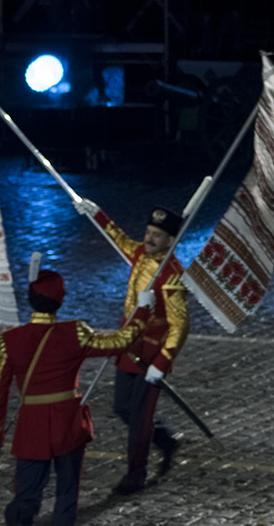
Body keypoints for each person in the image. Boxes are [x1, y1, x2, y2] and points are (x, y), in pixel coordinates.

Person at [0, 267, 154, 526]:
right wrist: (143, 309)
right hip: (66, 424)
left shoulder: (11, 341)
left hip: (31, 426)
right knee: (66, 495)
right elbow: (121, 341)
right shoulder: (74, 333)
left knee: (26, 494)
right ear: (60, 301)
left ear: (30, 299)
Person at [73, 200, 190, 493]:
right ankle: (165, 439)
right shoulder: (139, 253)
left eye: (157, 235)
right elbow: (118, 238)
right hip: (127, 347)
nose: (149, 238)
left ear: (170, 240)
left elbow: (180, 325)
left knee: (139, 420)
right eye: (149, 232)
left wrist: (162, 363)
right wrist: (97, 213)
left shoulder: (173, 275)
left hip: (150, 358)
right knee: (122, 408)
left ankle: (135, 475)